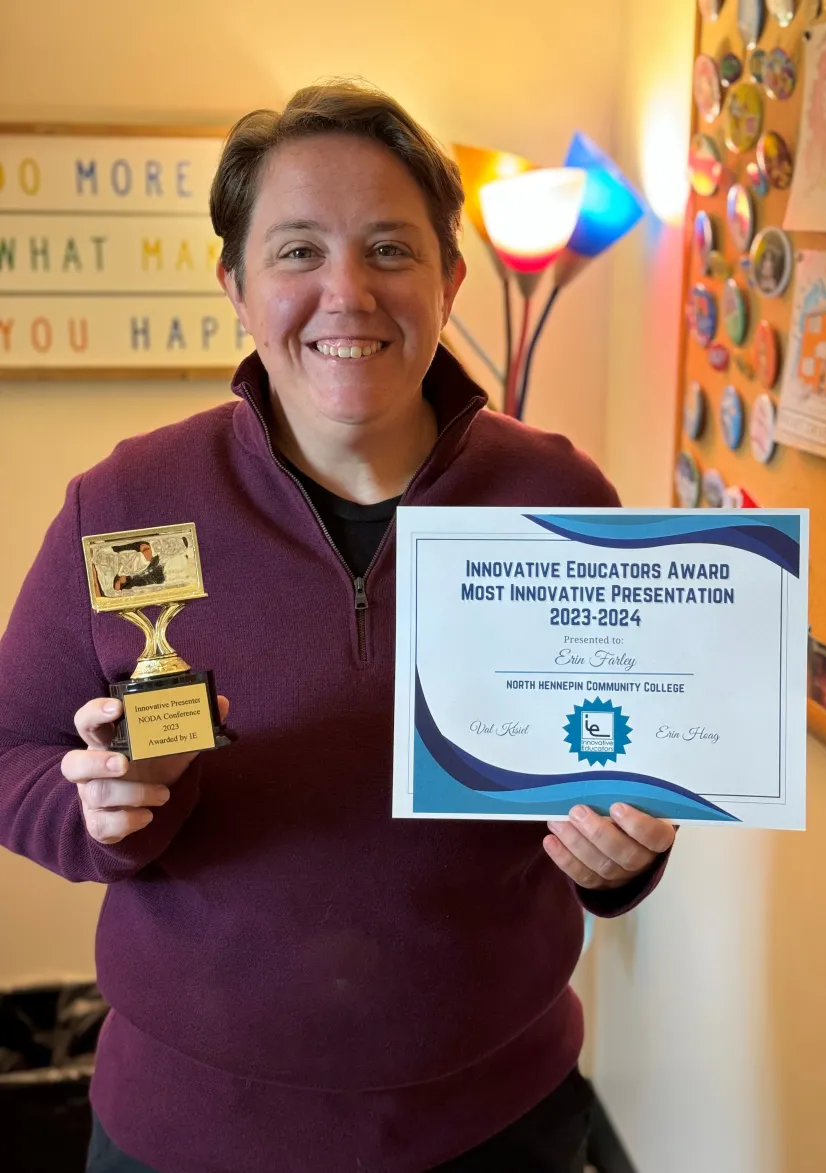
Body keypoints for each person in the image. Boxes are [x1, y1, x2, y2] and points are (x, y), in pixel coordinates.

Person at [0, 81, 675, 1173]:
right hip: (185, 1136)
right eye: (298, 251)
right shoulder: (126, 502)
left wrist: (618, 862)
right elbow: (9, 749)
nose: (346, 293)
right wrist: (101, 813)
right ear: (235, 285)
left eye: (390, 250)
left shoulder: (561, 501)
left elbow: (623, 773)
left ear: (451, 279)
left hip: (494, 1124)